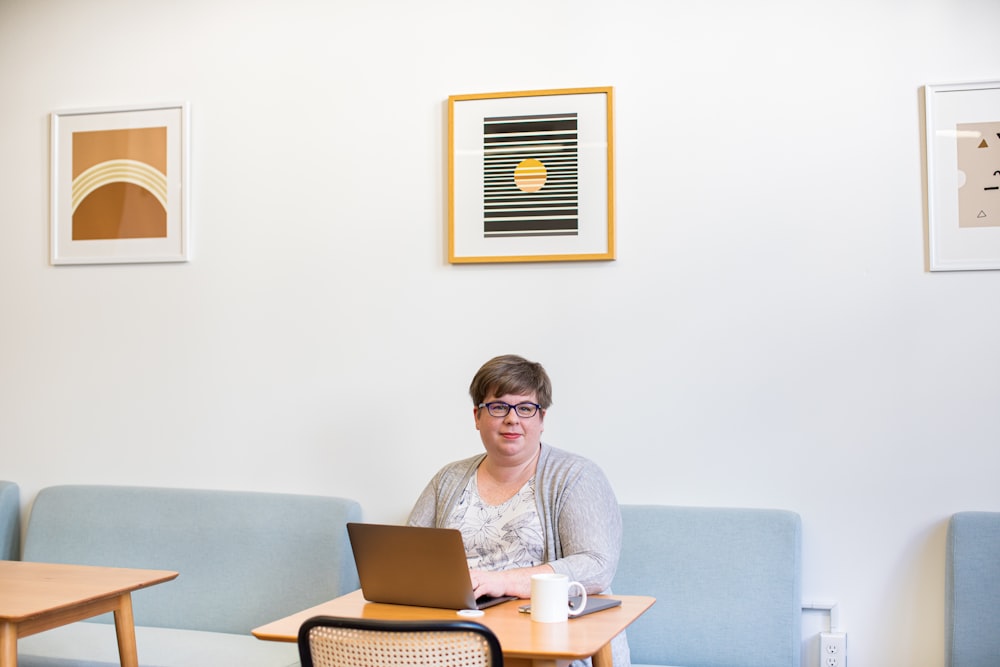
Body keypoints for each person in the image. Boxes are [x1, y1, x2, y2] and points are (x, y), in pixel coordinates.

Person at [408, 354, 629, 667]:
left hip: (549, 647)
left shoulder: (576, 476)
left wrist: (503, 582)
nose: (512, 419)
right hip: (455, 640)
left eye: (525, 408)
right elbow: (408, 557)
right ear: (477, 416)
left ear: (541, 420)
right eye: (498, 407)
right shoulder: (449, 478)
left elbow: (596, 565)